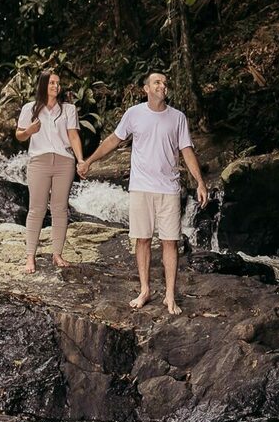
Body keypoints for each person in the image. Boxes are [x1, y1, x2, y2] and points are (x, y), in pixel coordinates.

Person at [79, 71, 207, 314]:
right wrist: (89, 161)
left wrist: (200, 182)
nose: (163, 86)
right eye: (157, 82)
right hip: (141, 187)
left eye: (165, 83)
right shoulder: (134, 114)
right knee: (143, 239)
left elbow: (187, 150)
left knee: (170, 241)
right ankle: (145, 289)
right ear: (146, 88)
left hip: (169, 188)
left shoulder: (177, 118)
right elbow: (113, 140)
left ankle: (170, 295)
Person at [17, 69, 85, 273]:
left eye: (58, 83)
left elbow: (73, 136)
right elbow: (19, 135)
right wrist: (29, 131)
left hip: (64, 162)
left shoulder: (69, 109)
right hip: (39, 161)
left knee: (60, 208)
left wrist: (80, 159)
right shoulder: (30, 108)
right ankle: (30, 257)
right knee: (36, 209)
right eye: (52, 83)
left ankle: (57, 254)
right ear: (43, 85)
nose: (56, 86)